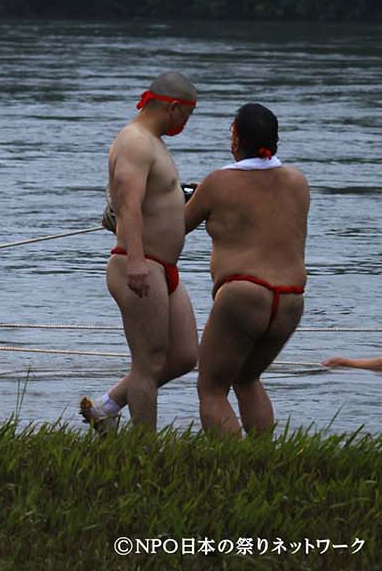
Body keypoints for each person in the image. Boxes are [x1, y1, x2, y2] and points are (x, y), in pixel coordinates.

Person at [81, 72, 200, 432]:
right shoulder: (135, 142)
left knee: (183, 356)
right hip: (139, 263)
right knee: (146, 364)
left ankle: (106, 407)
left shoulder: (152, 142)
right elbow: (130, 205)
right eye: (187, 116)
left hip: (163, 266)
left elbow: (143, 202)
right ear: (174, 108)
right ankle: (145, 451)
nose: (185, 124)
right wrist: (135, 260)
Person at [185, 102, 309, 437]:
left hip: (243, 294)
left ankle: (231, 468)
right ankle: (261, 463)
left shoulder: (217, 183)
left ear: (236, 138)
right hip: (290, 300)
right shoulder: (298, 182)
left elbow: (175, 227)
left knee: (211, 388)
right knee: (247, 379)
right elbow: (257, 207)